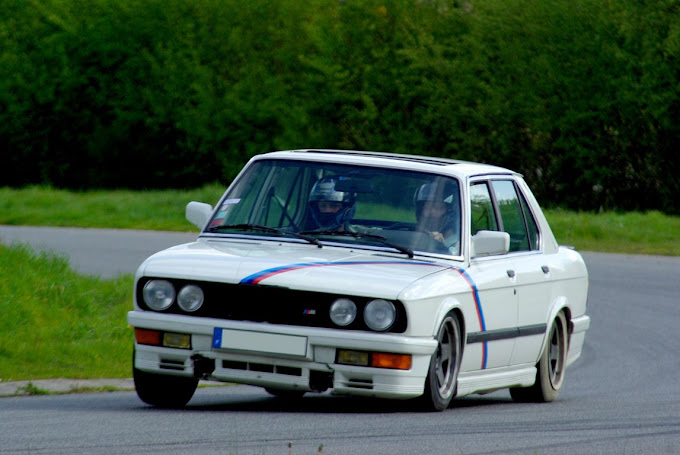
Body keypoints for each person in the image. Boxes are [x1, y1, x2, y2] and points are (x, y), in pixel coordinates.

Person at [414, 180, 460, 253]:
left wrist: (441, 248)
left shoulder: (461, 244)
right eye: (427, 207)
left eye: (437, 207)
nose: (432, 212)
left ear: (450, 212)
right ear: (420, 210)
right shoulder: (410, 237)